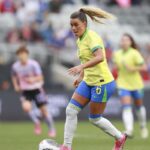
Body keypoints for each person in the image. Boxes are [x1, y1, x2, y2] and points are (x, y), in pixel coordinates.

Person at [60, 6, 127, 150]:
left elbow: (100, 57)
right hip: (88, 81)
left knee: (94, 119)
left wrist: (80, 68)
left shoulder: (92, 37)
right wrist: (81, 76)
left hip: (102, 83)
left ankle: (120, 137)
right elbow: (86, 60)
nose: (73, 28)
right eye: (71, 25)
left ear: (84, 23)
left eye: (76, 25)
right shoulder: (80, 40)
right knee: (70, 111)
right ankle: (66, 146)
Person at [11, 46, 56, 137]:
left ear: (27, 54)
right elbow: (13, 76)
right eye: (19, 54)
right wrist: (16, 85)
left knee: (44, 111)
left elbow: (41, 77)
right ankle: (37, 122)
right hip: (25, 90)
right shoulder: (15, 66)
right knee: (26, 108)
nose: (21, 56)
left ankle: (51, 129)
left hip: (36, 89)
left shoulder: (33, 64)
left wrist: (33, 79)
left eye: (23, 54)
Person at [113, 33, 149, 138]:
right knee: (126, 107)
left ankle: (143, 126)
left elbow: (144, 67)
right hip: (123, 84)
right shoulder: (117, 54)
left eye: (126, 40)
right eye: (122, 40)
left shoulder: (135, 53)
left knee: (139, 107)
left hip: (136, 84)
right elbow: (116, 68)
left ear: (130, 42)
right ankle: (129, 130)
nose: (124, 42)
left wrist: (133, 69)